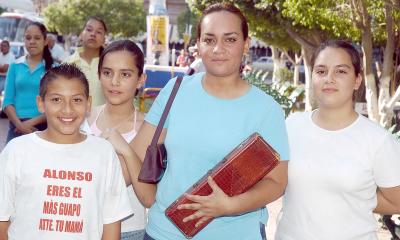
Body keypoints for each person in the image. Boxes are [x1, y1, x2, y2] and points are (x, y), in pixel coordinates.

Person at [125, 3, 289, 239]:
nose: (218, 49)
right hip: (164, 232)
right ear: (198, 44)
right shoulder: (175, 90)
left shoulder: (266, 109)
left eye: (230, 39)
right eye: (209, 40)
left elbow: (276, 182)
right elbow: (138, 152)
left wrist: (229, 206)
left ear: (246, 44)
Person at [275, 40, 400, 240]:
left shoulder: (377, 140)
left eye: (340, 71)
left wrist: (358, 197)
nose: (329, 79)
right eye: (321, 71)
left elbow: (397, 201)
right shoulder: (291, 126)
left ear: (357, 80)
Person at [0, 64, 133, 239]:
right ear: (41, 103)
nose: (67, 109)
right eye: (56, 99)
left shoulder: (103, 153)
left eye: (77, 100)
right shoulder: (17, 150)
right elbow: (2, 220)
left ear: (88, 104)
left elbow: (111, 224)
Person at [87, 40, 147, 240]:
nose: (114, 81)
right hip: (81, 226)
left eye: (125, 74)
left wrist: (126, 150)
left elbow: (148, 194)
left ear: (140, 80)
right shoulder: (82, 119)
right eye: (107, 72)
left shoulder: (148, 128)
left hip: (129, 230)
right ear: (99, 75)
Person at [2, 22, 54, 143]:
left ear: (45, 41)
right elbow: (7, 102)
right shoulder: (15, 66)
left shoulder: (53, 69)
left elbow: (54, 105)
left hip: (43, 128)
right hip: (16, 128)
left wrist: (29, 123)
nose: (32, 41)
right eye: (28, 37)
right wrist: (20, 125)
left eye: (37, 38)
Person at [65, 16, 107, 107]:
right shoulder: (67, 64)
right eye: (89, 30)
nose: (93, 34)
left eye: (99, 32)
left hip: (103, 120)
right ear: (81, 34)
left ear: (104, 38)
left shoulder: (109, 64)